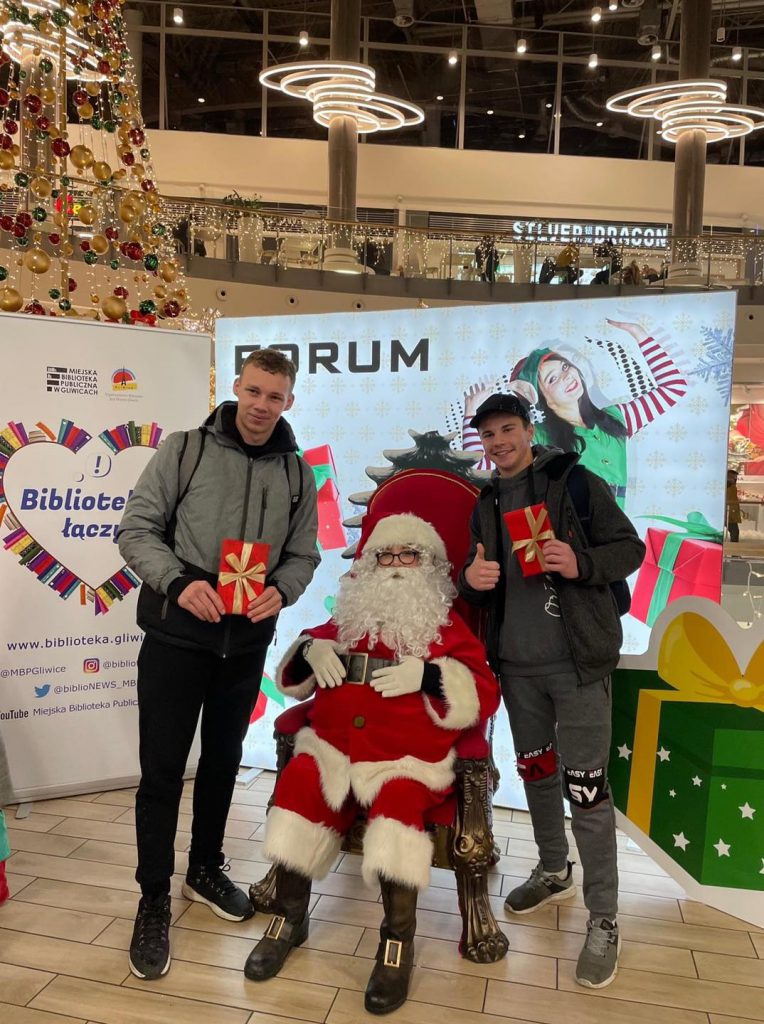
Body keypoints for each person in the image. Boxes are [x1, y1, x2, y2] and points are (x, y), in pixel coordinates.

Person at [244, 513, 500, 1015]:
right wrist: (311, 648)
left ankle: (396, 942)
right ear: (370, 565)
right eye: (386, 555)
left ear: (430, 566)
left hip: (407, 762)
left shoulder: (446, 628)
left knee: (398, 805)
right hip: (335, 750)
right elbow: (294, 670)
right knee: (299, 781)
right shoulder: (349, 618)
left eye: (410, 555)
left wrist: (429, 677)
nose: (396, 565)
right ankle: (289, 919)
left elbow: (484, 692)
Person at [117, 348, 319, 981]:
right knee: (161, 771)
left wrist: (282, 590)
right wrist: (178, 583)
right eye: (253, 391)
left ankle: (204, 867)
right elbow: (135, 530)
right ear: (236, 387)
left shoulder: (297, 472)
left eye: (275, 396)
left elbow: (304, 555)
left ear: (289, 401)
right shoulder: (185, 450)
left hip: (245, 644)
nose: (261, 405)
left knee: (224, 761)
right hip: (177, 639)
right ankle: (153, 897)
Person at [458, 392, 645, 989]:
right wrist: (472, 579)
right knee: (537, 774)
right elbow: (477, 578)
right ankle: (553, 868)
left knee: (586, 790)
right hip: (517, 669)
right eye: (489, 435)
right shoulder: (485, 502)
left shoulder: (577, 482)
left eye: (507, 429)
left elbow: (631, 549)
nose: (499, 443)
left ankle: (604, 918)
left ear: (528, 429)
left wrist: (580, 562)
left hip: (579, 665)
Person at [462, 319, 687, 509]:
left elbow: (674, 387)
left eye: (565, 367)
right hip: (565, 538)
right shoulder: (538, 437)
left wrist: (639, 334)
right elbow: (477, 466)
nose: (566, 377)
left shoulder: (616, 418)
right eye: (552, 379)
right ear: (542, 398)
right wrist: (471, 413)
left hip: (615, 535)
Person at [726, 468, 742, 542]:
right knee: (734, 531)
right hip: (729, 512)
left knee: (734, 531)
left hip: (731, 511)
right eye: (734, 477)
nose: (735, 479)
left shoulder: (731, 485)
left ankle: (733, 548)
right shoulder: (728, 485)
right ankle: (733, 548)